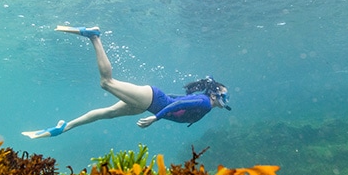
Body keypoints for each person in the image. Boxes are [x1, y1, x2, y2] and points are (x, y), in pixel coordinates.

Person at [22, 26, 231, 139]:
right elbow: (178, 104)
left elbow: (178, 99)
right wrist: (156, 118)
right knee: (106, 83)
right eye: (223, 93)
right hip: (150, 102)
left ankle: (62, 128)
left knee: (107, 113)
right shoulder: (204, 102)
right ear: (213, 94)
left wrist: (160, 105)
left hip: (149, 102)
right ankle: (94, 37)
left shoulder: (203, 101)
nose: (225, 98)